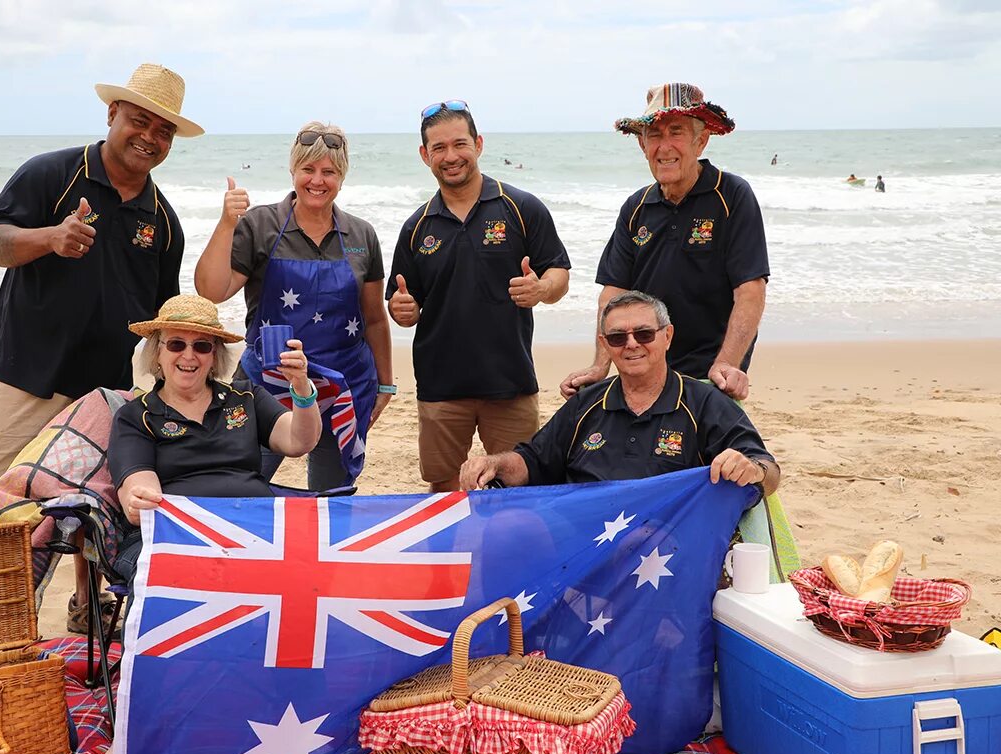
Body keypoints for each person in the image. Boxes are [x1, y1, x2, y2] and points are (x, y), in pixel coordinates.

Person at [0, 63, 202, 633]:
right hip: (29, 374)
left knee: (93, 505)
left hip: (105, 391)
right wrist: (50, 238)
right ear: (112, 114)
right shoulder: (53, 174)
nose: (149, 136)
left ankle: (87, 608)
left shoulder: (163, 221)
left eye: (163, 130)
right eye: (139, 120)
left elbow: (159, 321)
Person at [81, 294, 321, 754]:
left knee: (317, 576)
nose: (188, 356)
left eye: (202, 346)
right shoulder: (137, 415)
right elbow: (134, 489)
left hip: (254, 533)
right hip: (174, 537)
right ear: (157, 351)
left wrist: (302, 392)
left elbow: (299, 442)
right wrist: (140, 494)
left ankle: (287, 709)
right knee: (163, 586)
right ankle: (128, 738)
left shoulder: (246, 399)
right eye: (176, 344)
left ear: (216, 355)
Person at [195, 122, 391, 491]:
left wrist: (386, 384)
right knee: (240, 484)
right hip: (267, 385)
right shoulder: (261, 224)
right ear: (293, 171)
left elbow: (375, 319)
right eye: (308, 169)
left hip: (342, 386)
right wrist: (225, 223)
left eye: (329, 172)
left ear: (342, 177)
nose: (317, 180)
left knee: (331, 498)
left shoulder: (362, 235)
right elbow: (212, 290)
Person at [387, 100, 570, 492]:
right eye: (438, 148)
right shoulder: (416, 226)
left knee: (517, 490)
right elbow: (403, 304)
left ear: (479, 144)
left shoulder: (521, 208)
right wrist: (401, 309)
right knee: (443, 491)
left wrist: (540, 289)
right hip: (440, 387)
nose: (450, 156)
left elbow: (559, 274)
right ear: (425, 155)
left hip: (510, 382)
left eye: (459, 144)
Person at [560, 83, 767, 404]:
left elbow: (750, 291)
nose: (664, 146)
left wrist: (727, 363)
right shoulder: (636, 207)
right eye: (654, 135)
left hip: (709, 376)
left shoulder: (732, 195)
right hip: (642, 371)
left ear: (701, 141)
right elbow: (613, 294)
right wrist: (600, 365)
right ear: (642, 146)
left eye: (676, 132)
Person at [461, 291, 779, 495]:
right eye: (617, 337)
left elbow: (769, 472)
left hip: (665, 555)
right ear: (604, 344)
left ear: (667, 336)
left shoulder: (705, 404)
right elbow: (533, 461)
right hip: (584, 544)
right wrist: (495, 464)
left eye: (643, 333)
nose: (631, 344)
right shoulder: (586, 404)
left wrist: (750, 470)